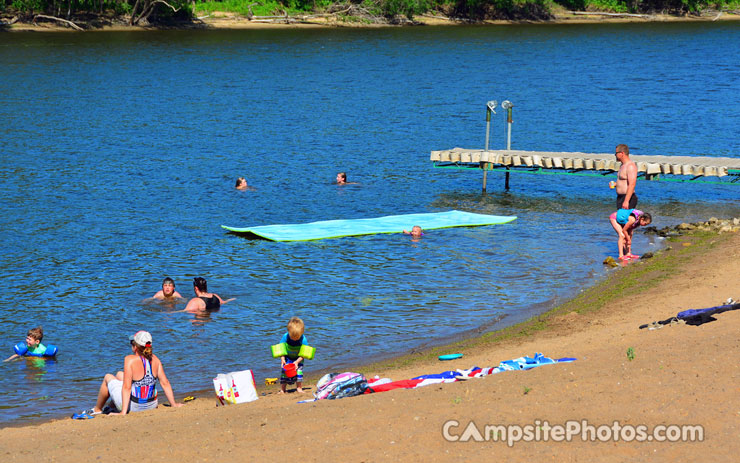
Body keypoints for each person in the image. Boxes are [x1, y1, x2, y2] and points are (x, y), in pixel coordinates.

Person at [78, 331, 182, 417]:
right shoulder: (155, 359)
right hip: (151, 405)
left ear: (135, 347)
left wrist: (123, 412)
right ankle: (111, 406)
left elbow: (127, 387)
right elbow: (165, 383)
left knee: (108, 377)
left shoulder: (129, 360)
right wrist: (174, 404)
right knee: (119, 374)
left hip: (134, 407)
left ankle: (97, 409)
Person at [278, 317, 307, 394]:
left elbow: (304, 354)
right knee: (284, 373)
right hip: (287, 358)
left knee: (299, 373)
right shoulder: (285, 337)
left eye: (297, 337)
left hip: (298, 358)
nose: (294, 339)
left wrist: (297, 362)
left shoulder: (303, 339)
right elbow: (281, 349)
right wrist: (282, 359)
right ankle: (283, 389)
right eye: (292, 337)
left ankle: (299, 388)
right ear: (288, 332)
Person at [614, 144, 638, 210]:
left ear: (622, 153)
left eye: (616, 153)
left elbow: (632, 184)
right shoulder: (622, 165)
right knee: (619, 219)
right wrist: (615, 184)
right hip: (620, 197)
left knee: (617, 218)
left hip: (627, 198)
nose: (615, 155)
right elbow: (623, 181)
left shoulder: (630, 166)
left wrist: (626, 201)